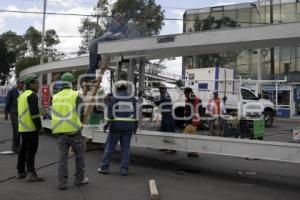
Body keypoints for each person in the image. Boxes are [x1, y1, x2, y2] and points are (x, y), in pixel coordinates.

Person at [51, 72, 89, 190]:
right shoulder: (76, 95)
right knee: (79, 156)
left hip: (60, 132)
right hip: (74, 131)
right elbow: (81, 112)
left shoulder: (55, 96)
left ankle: (62, 182)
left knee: (62, 158)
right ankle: (79, 178)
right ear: (72, 83)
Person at [97, 80, 137, 175]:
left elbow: (111, 114)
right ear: (126, 88)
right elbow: (135, 114)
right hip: (128, 127)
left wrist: (106, 125)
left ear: (118, 88)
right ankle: (124, 169)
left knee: (110, 147)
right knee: (126, 148)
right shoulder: (132, 99)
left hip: (116, 126)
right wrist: (135, 126)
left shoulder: (115, 99)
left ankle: (104, 167)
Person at [17, 74, 44, 181]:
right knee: (31, 151)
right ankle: (31, 173)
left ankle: (20, 171)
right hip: (31, 128)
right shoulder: (32, 95)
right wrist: (39, 128)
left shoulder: (22, 96)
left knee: (23, 150)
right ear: (31, 84)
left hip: (23, 128)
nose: (38, 85)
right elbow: (35, 114)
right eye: (37, 83)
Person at [154, 83, 176, 154]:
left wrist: (145, 96)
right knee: (163, 132)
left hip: (168, 116)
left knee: (170, 133)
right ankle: (164, 146)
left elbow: (155, 99)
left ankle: (173, 149)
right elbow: (157, 101)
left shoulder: (166, 95)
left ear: (165, 89)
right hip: (164, 116)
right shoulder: (162, 96)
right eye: (160, 89)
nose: (160, 90)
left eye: (162, 88)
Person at [5, 78, 24, 153]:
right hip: (14, 112)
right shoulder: (11, 91)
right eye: (20, 83)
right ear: (17, 84)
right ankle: (15, 147)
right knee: (16, 129)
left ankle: (19, 146)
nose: (22, 84)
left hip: (22, 113)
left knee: (22, 130)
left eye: (23, 83)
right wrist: (6, 113)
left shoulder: (24, 92)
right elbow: (8, 102)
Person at [183, 87, 204, 157]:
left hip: (193, 121)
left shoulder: (193, 99)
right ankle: (193, 152)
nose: (184, 94)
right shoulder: (189, 99)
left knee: (185, 135)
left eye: (185, 93)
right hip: (191, 120)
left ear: (188, 93)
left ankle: (193, 151)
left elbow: (200, 112)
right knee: (191, 136)